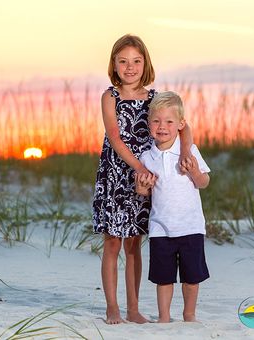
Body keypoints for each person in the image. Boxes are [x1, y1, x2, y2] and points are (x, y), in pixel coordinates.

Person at [92, 34, 193, 324]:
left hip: (145, 176)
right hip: (116, 174)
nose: (130, 67)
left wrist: (186, 150)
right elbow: (114, 136)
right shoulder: (109, 97)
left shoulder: (154, 98)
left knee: (134, 243)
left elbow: (184, 127)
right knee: (112, 242)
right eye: (123, 61)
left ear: (145, 63)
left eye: (136, 61)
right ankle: (112, 307)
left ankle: (133, 308)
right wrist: (138, 167)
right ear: (114, 64)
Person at [135, 91, 210, 323]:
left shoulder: (189, 151)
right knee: (163, 278)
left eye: (169, 121)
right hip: (160, 228)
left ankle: (189, 314)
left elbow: (204, 183)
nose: (162, 127)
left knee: (191, 277)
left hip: (190, 226)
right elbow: (146, 192)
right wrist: (141, 190)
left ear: (180, 124)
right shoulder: (147, 157)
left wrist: (195, 172)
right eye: (156, 121)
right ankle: (164, 317)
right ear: (149, 124)